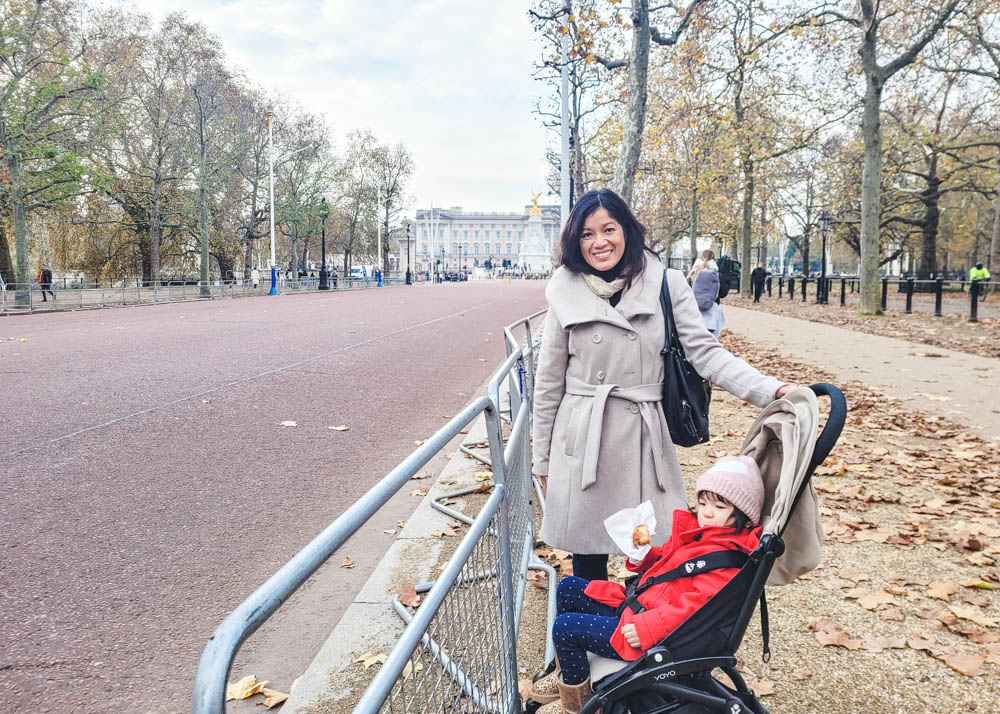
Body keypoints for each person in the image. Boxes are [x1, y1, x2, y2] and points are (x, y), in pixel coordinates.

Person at [532, 188, 793, 585]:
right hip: (582, 438)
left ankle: (641, 636)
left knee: (654, 552)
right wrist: (542, 462)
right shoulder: (564, 292)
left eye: (608, 229)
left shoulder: (665, 283)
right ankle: (584, 639)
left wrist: (770, 389)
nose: (599, 242)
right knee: (587, 560)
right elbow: (548, 385)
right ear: (575, 241)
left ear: (627, 232)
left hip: (643, 438)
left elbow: (706, 354)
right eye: (587, 234)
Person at [534, 455, 765, 714]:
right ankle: (569, 674)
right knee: (569, 588)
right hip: (637, 606)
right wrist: (645, 555)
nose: (707, 513)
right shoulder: (700, 537)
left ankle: (576, 704)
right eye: (702, 503)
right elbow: (667, 566)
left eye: (719, 508)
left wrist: (648, 628)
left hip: (649, 633)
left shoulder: (725, 562)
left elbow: (693, 609)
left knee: (566, 628)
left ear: (744, 515)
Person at [686, 250, 725, 338]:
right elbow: (722, 293)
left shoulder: (692, 273)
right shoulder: (717, 274)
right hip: (712, 313)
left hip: (694, 312)